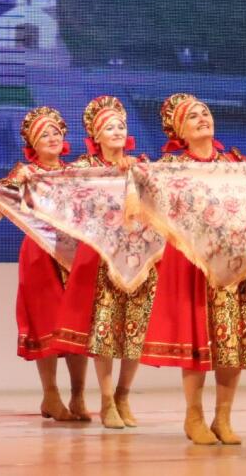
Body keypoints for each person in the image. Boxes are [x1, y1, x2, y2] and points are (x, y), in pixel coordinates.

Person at [155, 93, 246, 444]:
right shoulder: (172, 168)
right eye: (192, 116)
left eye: (205, 112)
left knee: (232, 338)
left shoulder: (235, 162)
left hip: (236, 261)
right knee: (196, 340)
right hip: (194, 260)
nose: (202, 118)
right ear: (179, 131)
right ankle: (194, 416)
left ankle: (223, 418)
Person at [0, 106, 91, 423]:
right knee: (47, 321)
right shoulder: (24, 173)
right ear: (32, 144)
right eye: (44, 135)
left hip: (76, 254)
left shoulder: (76, 172)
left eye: (56, 132)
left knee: (77, 324)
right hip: (40, 255)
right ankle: (51, 394)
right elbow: (0, 199)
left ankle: (79, 395)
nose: (52, 138)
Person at [49, 96, 153, 429]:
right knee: (105, 329)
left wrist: (136, 174)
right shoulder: (83, 169)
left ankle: (123, 395)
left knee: (135, 328)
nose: (117, 131)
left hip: (137, 257)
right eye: (109, 127)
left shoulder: (140, 165)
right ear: (96, 136)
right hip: (100, 257)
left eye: (121, 126)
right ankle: (107, 399)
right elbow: (57, 189)